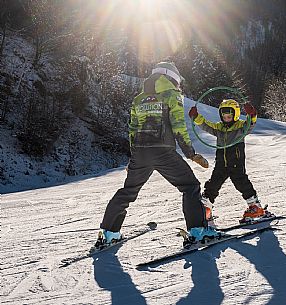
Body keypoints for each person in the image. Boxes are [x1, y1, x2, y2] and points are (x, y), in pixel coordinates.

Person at [95, 62, 221, 248]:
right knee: (190, 186)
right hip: (163, 151)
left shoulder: (139, 99)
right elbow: (178, 126)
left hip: (140, 153)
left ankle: (109, 233)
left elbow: (132, 130)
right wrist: (191, 153)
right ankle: (198, 231)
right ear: (172, 77)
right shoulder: (172, 95)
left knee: (128, 192)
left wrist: (133, 158)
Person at [188, 99, 271, 224]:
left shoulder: (240, 127)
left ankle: (255, 207)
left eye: (229, 116)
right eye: (224, 116)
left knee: (241, 182)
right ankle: (206, 209)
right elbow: (206, 125)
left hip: (236, 162)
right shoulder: (219, 127)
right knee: (213, 184)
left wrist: (252, 114)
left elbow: (251, 123)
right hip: (221, 162)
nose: (226, 118)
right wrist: (196, 117)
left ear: (236, 114)